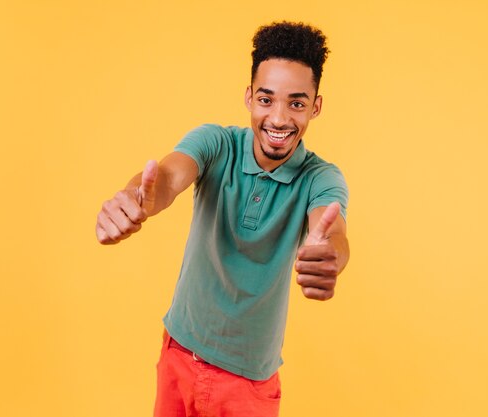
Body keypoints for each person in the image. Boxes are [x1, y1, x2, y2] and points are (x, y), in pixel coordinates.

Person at [95, 21, 349, 417]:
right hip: (178, 352)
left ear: (315, 106)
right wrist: (136, 198)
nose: (279, 119)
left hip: (248, 383)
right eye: (267, 100)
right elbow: (168, 177)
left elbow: (331, 231)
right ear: (249, 98)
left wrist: (330, 254)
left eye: (296, 103)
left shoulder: (321, 178)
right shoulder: (216, 143)